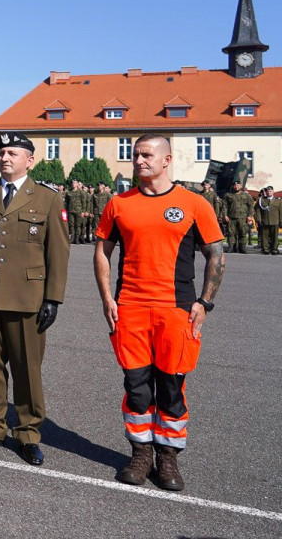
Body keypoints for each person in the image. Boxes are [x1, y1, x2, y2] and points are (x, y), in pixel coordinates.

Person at [94, 135, 224, 492]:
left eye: (147, 154)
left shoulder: (194, 204)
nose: (139, 160)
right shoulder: (118, 204)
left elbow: (216, 253)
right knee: (136, 388)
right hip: (131, 309)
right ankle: (140, 453)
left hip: (176, 310)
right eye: (135, 154)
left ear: (167, 159)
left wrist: (205, 302)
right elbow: (102, 252)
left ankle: (168, 457)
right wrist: (107, 298)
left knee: (171, 387)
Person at [0, 133, 68, 465]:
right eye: (1, 152)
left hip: (27, 298)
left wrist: (53, 299)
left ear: (29, 160)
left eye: (13, 153)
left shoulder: (48, 198)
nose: (5, 158)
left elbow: (58, 253)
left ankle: (28, 434)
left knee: (27, 370)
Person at [222, 181, 251, 253]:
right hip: (231, 217)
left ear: (240, 186)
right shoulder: (228, 195)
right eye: (235, 185)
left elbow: (250, 206)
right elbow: (224, 206)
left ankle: (242, 247)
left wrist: (250, 216)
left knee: (242, 233)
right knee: (231, 233)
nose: (236, 186)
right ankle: (231, 247)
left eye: (238, 185)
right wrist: (225, 215)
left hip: (243, 218)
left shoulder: (246, 195)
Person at [255, 186, 279, 255]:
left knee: (274, 237)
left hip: (275, 221)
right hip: (264, 221)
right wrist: (259, 220)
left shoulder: (278, 200)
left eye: (271, 191)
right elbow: (258, 210)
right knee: (264, 236)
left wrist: (280, 221)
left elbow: (280, 211)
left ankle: (274, 249)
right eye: (268, 191)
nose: (269, 192)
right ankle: (265, 249)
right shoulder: (262, 200)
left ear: (273, 192)